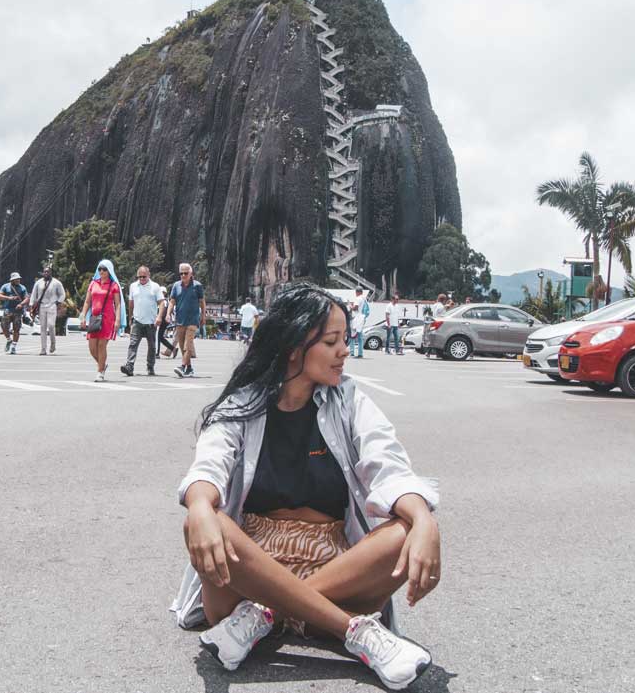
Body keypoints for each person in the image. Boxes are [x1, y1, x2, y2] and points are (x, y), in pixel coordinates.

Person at [169, 282, 440, 689]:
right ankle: (354, 631)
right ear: (295, 346)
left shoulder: (349, 401)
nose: (344, 351)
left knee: (405, 533)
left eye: (344, 340)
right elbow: (210, 465)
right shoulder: (242, 403)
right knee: (202, 519)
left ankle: (263, 617)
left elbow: (388, 461)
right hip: (250, 568)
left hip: (334, 564)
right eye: (332, 341)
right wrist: (201, 509)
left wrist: (423, 521)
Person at [78, 259, 125, 381]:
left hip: (108, 319)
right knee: (92, 347)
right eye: (99, 269)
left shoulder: (113, 285)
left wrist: (118, 319)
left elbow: (118, 304)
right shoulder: (93, 283)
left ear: (109, 271)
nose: (101, 271)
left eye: (104, 269)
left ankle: (100, 372)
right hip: (94, 318)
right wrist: (83, 315)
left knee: (101, 345)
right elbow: (87, 301)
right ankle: (102, 364)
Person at [120, 265, 164, 377]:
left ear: (149, 275)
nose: (142, 279)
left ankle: (150, 367)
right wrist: (131, 317)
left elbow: (161, 303)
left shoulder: (155, 287)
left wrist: (159, 317)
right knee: (133, 344)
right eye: (139, 277)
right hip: (137, 321)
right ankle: (129, 366)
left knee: (152, 346)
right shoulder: (133, 286)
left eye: (144, 277)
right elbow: (131, 303)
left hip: (151, 322)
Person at [168, 263, 207, 378]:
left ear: (191, 274)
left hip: (193, 320)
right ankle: (189, 368)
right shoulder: (176, 286)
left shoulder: (197, 286)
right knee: (181, 346)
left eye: (186, 273)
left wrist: (203, 316)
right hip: (180, 320)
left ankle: (182, 366)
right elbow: (172, 301)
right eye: (181, 273)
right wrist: (168, 313)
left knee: (187, 345)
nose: (183, 275)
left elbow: (202, 302)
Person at [30, 266, 66, 355]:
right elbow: (34, 295)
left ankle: (53, 344)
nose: (46, 273)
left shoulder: (56, 283)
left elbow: (62, 294)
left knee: (51, 325)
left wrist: (58, 302)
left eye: (48, 272)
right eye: (44, 272)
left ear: (51, 273)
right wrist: (31, 306)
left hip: (52, 306)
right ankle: (43, 349)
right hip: (42, 306)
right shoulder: (38, 283)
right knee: (42, 328)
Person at [0, 272, 29, 355]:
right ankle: (8, 340)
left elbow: (27, 298)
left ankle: (13, 347)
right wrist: (9, 298)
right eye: (16, 279)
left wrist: (21, 304)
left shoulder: (22, 288)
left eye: (19, 279)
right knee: (3, 326)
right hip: (8, 310)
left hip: (18, 312)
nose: (18, 280)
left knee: (16, 329)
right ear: (12, 280)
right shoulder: (5, 286)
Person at [348, 289, 369, 359]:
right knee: (360, 337)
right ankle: (360, 353)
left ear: (357, 292)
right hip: (362, 318)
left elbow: (355, 308)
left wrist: (350, 305)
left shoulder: (358, 299)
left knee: (352, 336)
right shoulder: (364, 299)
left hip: (356, 318)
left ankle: (352, 353)